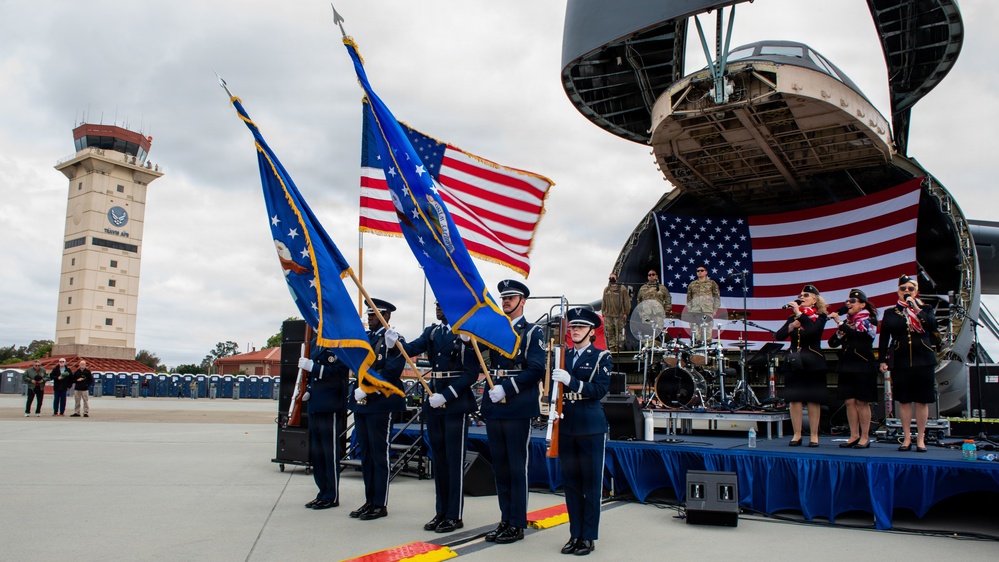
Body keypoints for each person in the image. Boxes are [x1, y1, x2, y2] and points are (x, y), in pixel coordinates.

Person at [396, 302, 477, 534]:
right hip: (434, 401)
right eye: (436, 305)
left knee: (453, 461)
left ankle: (454, 515)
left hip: (455, 402)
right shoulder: (432, 332)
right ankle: (441, 511)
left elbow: (471, 373)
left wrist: (447, 395)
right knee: (439, 461)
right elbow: (410, 349)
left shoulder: (465, 334)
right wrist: (395, 342)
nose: (439, 309)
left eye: (443, 305)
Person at [478, 279, 546, 545]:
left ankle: (517, 523)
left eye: (511, 297)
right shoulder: (496, 330)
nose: (506, 301)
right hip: (495, 406)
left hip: (517, 405)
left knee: (517, 468)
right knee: (501, 468)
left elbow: (536, 369)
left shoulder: (532, 332)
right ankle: (505, 519)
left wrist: (507, 388)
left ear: (523, 301)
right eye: (504, 298)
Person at [550, 308, 612, 556]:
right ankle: (574, 533)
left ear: (590, 331)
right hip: (566, 425)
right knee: (572, 484)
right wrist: (552, 408)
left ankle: (588, 536)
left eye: (580, 327)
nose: (574, 331)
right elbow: (553, 387)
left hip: (590, 426)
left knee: (591, 484)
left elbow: (599, 390)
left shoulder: (601, 356)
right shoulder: (562, 357)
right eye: (572, 327)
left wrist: (572, 382)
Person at [348, 298, 406, 521]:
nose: (369, 318)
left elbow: (391, 372)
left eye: (374, 315)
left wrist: (368, 389)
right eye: (368, 314)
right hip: (361, 403)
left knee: (379, 454)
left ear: (386, 316)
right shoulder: (365, 338)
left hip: (380, 402)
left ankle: (380, 503)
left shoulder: (392, 339)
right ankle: (369, 500)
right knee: (366, 455)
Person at [879, 275, 940, 453]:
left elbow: (932, 326)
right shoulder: (891, 312)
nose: (906, 292)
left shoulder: (925, 308)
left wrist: (916, 309)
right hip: (901, 359)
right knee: (904, 400)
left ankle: (920, 438)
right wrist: (882, 359)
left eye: (910, 289)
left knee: (922, 401)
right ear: (898, 291)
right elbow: (884, 338)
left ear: (916, 292)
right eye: (903, 289)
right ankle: (906, 437)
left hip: (923, 359)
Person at [775, 284, 828, 447]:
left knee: (813, 399)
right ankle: (796, 434)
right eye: (801, 295)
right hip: (794, 361)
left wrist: (800, 314)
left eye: (806, 295)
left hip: (813, 361)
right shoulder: (793, 318)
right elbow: (779, 335)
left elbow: (814, 331)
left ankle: (814, 435)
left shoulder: (820, 316)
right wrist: (792, 325)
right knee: (794, 399)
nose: (801, 297)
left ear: (814, 300)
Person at [299, 343, 350, 510]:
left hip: (331, 405)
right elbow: (311, 377)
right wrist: (308, 390)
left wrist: (314, 368)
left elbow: (340, 373)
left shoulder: (340, 344)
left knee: (329, 452)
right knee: (317, 452)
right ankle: (322, 492)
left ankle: (332, 495)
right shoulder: (316, 344)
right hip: (315, 404)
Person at [828, 289, 879, 449]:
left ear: (862, 304)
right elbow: (833, 342)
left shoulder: (868, 320)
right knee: (849, 401)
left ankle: (865, 436)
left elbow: (862, 339)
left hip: (862, 364)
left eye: (853, 301)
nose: (848, 304)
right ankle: (854, 435)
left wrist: (842, 324)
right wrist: (840, 330)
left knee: (862, 401)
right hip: (847, 364)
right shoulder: (848, 322)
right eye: (847, 302)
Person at [685, 264, 722, 344]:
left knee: (707, 334)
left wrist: (714, 309)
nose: (700, 272)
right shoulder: (692, 284)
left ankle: (706, 352)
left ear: (706, 272)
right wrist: (690, 310)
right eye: (698, 271)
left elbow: (717, 297)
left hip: (707, 310)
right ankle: (695, 352)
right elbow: (689, 299)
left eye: (702, 271)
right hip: (695, 311)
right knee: (695, 333)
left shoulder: (712, 283)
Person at [600, 272, 631, 352]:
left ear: (617, 279)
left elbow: (626, 301)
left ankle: (618, 349)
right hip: (608, 315)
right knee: (610, 332)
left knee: (619, 333)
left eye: (613, 278)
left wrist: (625, 312)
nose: (611, 280)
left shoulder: (622, 288)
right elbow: (604, 301)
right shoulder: (606, 289)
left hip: (619, 315)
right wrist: (603, 311)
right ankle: (612, 349)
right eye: (610, 278)